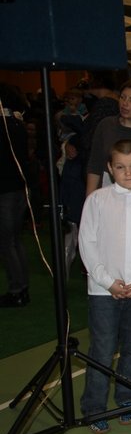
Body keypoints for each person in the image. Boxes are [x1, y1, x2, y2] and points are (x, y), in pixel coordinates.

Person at [78, 139, 131, 434]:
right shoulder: (97, 200)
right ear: (110, 168)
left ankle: (126, 399)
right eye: (120, 167)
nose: (128, 172)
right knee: (102, 349)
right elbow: (87, 243)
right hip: (103, 291)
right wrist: (107, 281)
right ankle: (94, 407)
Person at [0, 83, 31, 308]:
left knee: (7, 242)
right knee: (14, 240)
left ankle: (17, 290)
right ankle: (21, 288)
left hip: (6, 190)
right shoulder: (17, 124)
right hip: (18, 189)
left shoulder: (5, 125)